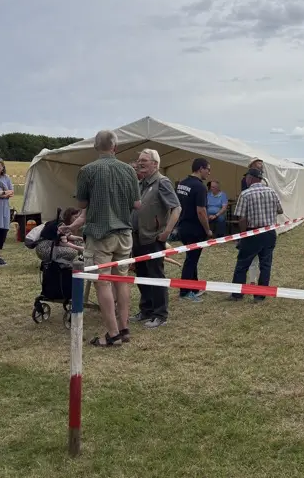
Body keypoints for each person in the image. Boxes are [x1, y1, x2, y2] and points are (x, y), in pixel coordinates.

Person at [60, 130, 141, 347]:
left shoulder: (88, 171)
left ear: (96, 147)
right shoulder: (129, 171)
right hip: (124, 234)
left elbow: (81, 205)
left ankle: (112, 334)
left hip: (100, 234)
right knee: (121, 281)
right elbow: (137, 204)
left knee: (103, 283)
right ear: (116, 147)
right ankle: (124, 328)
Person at [130, 149, 181, 327]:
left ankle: (160, 314)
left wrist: (166, 232)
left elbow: (176, 208)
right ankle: (146, 310)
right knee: (142, 274)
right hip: (137, 238)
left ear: (155, 164)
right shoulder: (140, 183)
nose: (140, 163)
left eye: (144, 160)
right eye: (139, 160)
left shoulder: (162, 182)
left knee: (155, 275)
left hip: (153, 238)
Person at [228, 168, 283, 301]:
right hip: (269, 232)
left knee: (242, 264)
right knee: (265, 265)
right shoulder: (272, 192)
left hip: (253, 233)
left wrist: (243, 235)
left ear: (250, 178)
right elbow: (280, 210)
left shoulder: (245, 194)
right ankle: (260, 295)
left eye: (246, 177)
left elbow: (241, 218)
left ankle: (237, 293)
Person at [176, 158, 212, 302]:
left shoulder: (182, 184)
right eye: (208, 169)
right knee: (191, 260)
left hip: (183, 226)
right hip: (195, 228)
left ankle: (194, 287)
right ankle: (185, 291)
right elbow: (201, 211)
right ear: (200, 168)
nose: (209, 173)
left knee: (192, 258)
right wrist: (208, 230)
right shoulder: (200, 187)